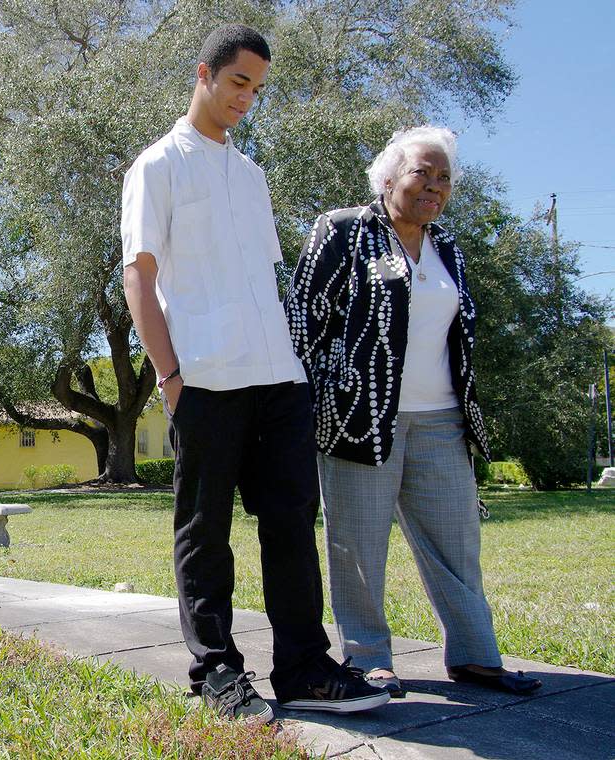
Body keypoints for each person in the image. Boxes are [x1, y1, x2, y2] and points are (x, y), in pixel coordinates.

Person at [120, 24, 389, 723]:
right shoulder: (156, 166)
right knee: (205, 532)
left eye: (257, 89)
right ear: (203, 74)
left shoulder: (250, 174)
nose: (247, 98)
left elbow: (259, 281)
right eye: (238, 82)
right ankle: (215, 671)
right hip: (204, 379)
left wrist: (295, 369)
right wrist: (169, 376)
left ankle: (303, 668)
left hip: (279, 378)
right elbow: (139, 277)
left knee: (293, 526)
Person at [284, 126, 542, 698]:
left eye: (444, 177)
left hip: (442, 419)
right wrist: (317, 396)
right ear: (388, 177)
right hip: (360, 420)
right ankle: (369, 659)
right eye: (421, 172)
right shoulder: (344, 230)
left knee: (456, 544)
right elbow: (301, 317)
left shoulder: (447, 246)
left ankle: (476, 656)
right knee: (358, 548)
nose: (434, 185)